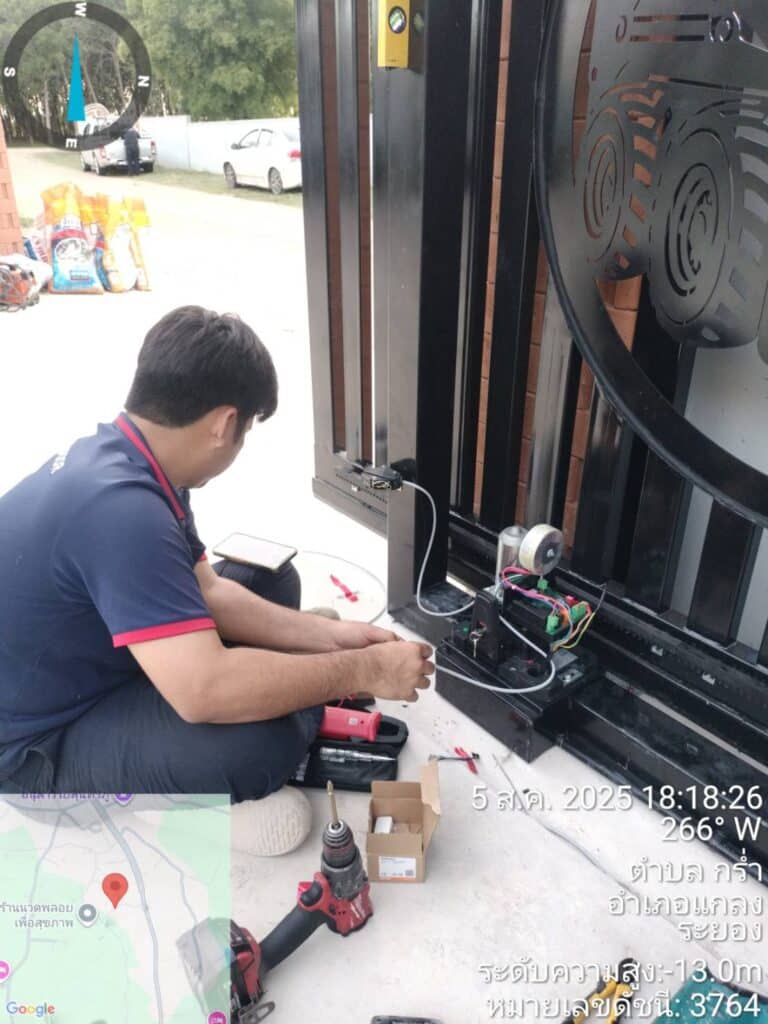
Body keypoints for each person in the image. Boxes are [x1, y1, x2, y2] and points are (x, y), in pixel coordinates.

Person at [0, 306, 433, 847]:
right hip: (39, 748)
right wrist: (360, 670)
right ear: (226, 423)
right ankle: (152, 808)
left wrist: (333, 639)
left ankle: (274, 681)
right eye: (246, 431)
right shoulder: (122, 511)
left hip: (101, 660)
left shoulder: (137, 458)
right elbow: (203, 692)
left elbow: (210, 590)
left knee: (272, 580)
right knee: (261, 744)